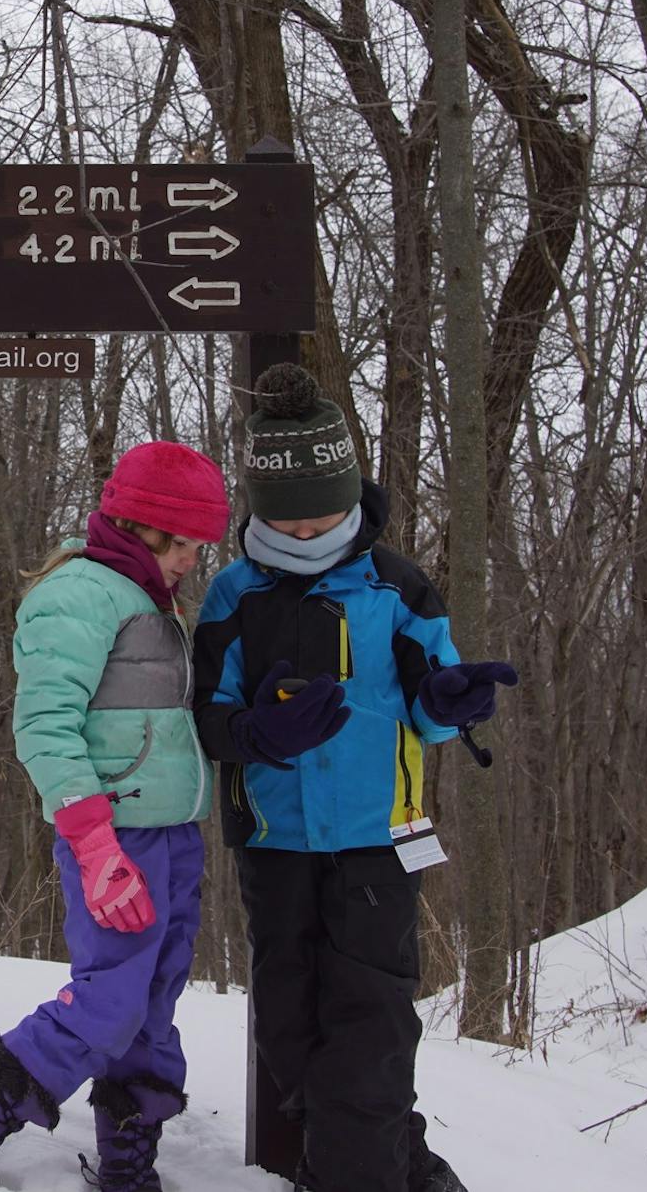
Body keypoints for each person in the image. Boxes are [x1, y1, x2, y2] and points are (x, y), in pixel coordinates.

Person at [0, 440, 342, 1192]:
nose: (190, 563)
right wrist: (94, 842)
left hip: (170, 837)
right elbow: (44, 725)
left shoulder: (147, 600)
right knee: (109, 1001)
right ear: (142, 527)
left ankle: (128, 1161)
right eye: (183, 546)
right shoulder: (80, 593)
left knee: (152, 1006)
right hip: (112, 838)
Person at [192, 362, 516, 1192]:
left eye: (323, 521)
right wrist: (258, 731)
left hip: (380, 843)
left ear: (351, 496)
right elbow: (208, 719)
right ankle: (394, 1161)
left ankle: (352, 1173)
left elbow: (434, 710)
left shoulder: (397, 586)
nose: (305, 540)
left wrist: (453, 699)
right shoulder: (233, 595)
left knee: (368, 1025)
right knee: (291, 1031)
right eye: (287, 527)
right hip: (277, 845)